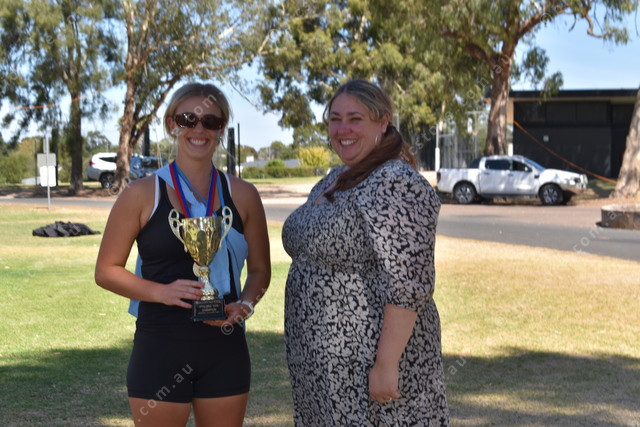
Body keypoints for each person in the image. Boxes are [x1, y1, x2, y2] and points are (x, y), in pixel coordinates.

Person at [95, 82, 271, 427]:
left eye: (210, 121)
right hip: (160, 346)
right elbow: (106, 270)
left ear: (222, 129)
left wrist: (246, 305)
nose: (198, 129)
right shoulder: (141, 194)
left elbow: (260, 271)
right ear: (171, 124)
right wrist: (161, 292)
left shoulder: (244, 195)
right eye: (187, 119)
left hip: (225, 347)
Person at [282, 79, 449, 426]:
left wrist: (386, 364)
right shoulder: (336, 177)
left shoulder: (395, 181)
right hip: (324, 366)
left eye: (355, 119)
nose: (343, 129)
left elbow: (409, 284)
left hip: (368, 361)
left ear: (383, 122)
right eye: (335, 119)